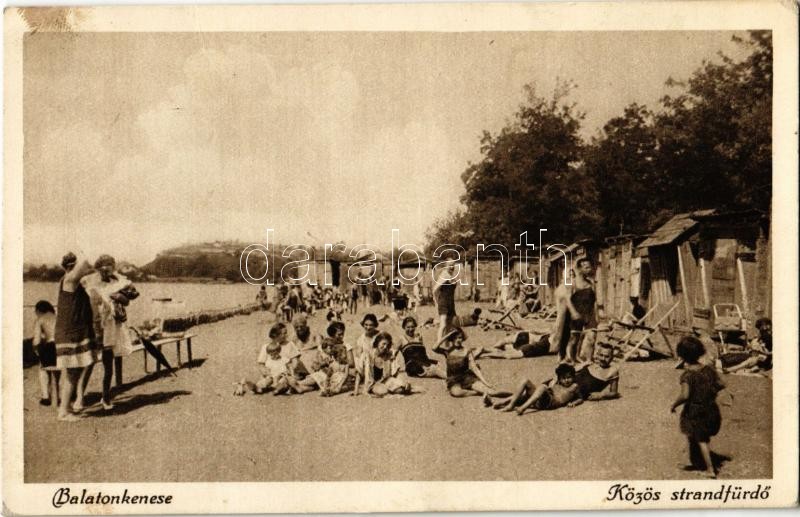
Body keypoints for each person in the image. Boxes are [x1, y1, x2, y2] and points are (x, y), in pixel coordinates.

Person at [81, 254, 139, 410]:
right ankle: (79, 397)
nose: (106, 271)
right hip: (95, 325)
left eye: (109, 267)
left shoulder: (118, 282)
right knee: (89, 361)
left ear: (113, 268)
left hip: (112, 326)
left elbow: (128, 300)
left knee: (108, 363)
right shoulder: (90, 282)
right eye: (103, 268)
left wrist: (120, 297)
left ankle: (105, 397)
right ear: (98, 269)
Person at [671, 336, 729, 478]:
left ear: (681, 356)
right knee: (695, 437)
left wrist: (674, 404)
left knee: (701, 440)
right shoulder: (708, 370)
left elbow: (685, 395)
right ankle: (697, 462)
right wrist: (710, 391)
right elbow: (722, 384)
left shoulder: (687, 375)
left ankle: (710, 469)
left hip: (695, 411)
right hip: (711, 408)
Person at [53, 252, 98, 421]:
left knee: (75, 370)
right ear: (71, 268)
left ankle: (67, 406)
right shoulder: (70, 281)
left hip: (75, 332)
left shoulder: (74, 283)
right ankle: (63, 412)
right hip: (70, 334)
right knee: (72, 372)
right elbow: (85, 265)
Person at [433, 328, 511, 400]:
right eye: (455, 338)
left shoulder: (466, 351)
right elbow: (434, 348)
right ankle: (477, 393)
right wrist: (447, 335)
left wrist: (486, 382)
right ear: (451, 339)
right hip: (453, 380)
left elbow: (474, 368)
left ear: (462, 339)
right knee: (456, 393)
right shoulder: (447, 351)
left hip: (467, 377)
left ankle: (514, 394)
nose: (457, 340)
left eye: (459, 338)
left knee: (492, 392)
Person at [493, 363, 582, 415]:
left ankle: (522, 408)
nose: (566, 380)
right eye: (563, 378)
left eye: (569, 377)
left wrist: (574, 403)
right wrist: (555, 379)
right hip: (542, 398)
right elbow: (547, 380)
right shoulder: (557, 382)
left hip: (550, 402)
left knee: (542, 387)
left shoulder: (574, 386)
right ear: (559, 379)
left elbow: (580, 398)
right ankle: (508, 404)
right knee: (525, 381)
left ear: (573, 377)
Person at [562, 258, 603, 363]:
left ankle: (589, 360)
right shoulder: (572, 283)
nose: (589, 270)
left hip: (589, 314)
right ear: (579, 269)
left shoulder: (591, 283)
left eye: (590, 267)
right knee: (574, 339)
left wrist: (597, 314)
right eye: (586, 267)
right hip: (577, 313)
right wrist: (573, 312)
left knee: (592, 337)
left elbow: (595, 300)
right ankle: (572, 359)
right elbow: (567, 299)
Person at [308, 321, 356, 396]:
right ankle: (296, 385)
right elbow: (316, 363)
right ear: (333, 335)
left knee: (333, 380)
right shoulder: (325, 346)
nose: (342, 336)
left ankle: (329, 391)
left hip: (340, 373)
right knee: (314, 378)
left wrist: (338, 362)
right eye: (339, 334)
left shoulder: (346, 346)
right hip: (326, 373)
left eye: (343, 334)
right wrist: (323, 364)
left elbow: (352, 363)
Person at [363, 332, 414, 397]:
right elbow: (361, 372)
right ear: (377, 343)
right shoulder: (369, 356)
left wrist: (404, 382)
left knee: (402, 387)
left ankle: (392, 389)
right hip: (374, 383)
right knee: (383, 391)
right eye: (383, 344)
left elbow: (399, 371)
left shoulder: (388, 356)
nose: (385, 347)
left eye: (387, 345)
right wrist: (357, 390)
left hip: (386, 381)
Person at [31, 300, 60, 406]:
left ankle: (45, 396)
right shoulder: (59, 317)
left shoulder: (40, 320)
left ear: (39, 310)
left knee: (42, 368)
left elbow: (36, 341)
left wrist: (36, 351)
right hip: (62, 349)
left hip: (51, 348)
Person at [432, 254, 459, 343]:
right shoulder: (444, 275)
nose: (452, 267)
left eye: (453, 265)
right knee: (443, 324)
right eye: (450, 265)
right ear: (445, 266)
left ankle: (447, 344)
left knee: (449, 325)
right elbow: (435, 289)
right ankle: (438, 343)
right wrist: (436, 302)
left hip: (451, 302)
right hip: (443, 302)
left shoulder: (452, 276)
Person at [479, 330, 551, 360]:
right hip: (528, 346)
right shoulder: (550, 342)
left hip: (527, 336)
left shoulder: (548, 335)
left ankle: (488, 349)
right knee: (507, 354)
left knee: (505, 346)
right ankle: (486, 351)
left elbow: (534, 331)